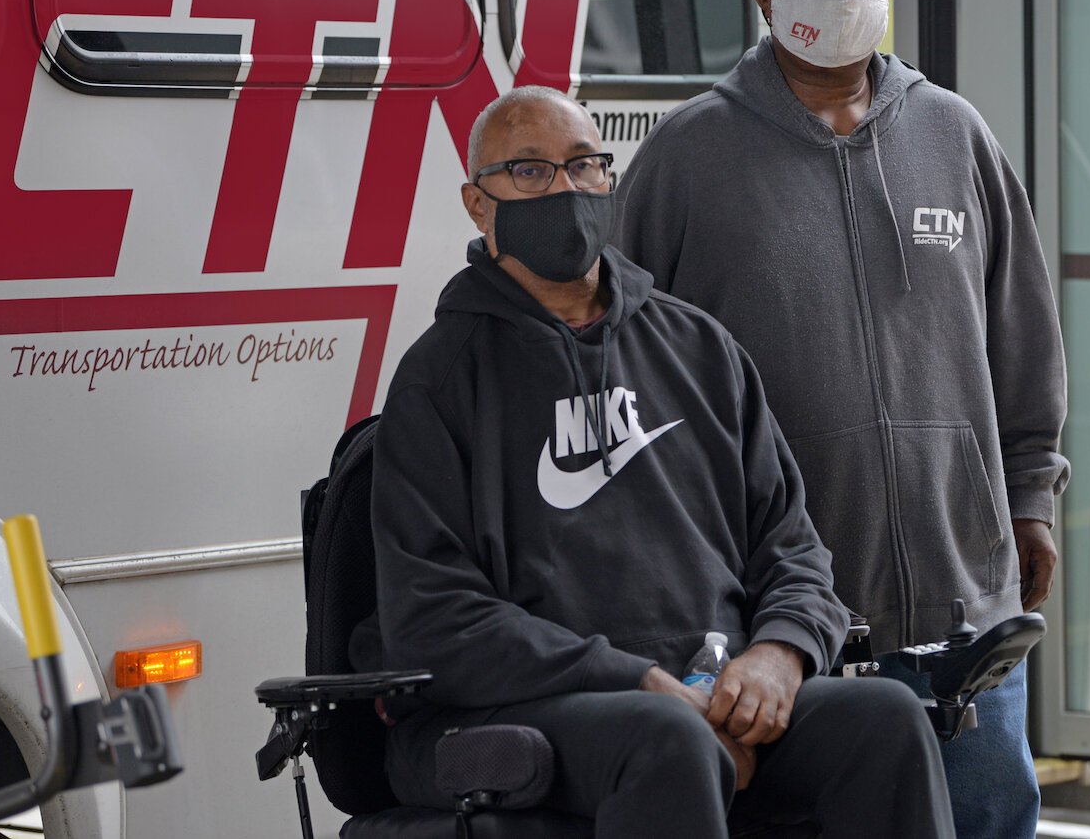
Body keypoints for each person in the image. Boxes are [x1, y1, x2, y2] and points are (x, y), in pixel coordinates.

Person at [360, 85, 955, 838]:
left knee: (885, 717)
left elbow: (793, 548)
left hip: (711, 686)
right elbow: (433, 622)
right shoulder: (440, 379)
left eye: (583, 167)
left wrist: (779, 653)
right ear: (479, 205)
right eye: (530, 173)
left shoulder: (699, 348)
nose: (565, 190)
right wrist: (636, 681)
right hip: (517, 713)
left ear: (609, 181)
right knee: (666, 740)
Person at [615, 0, 1069, 838]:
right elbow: (626, 373)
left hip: (968, 612)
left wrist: (1031, 498)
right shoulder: (688, 156)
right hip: (788, 626)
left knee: (992, 819)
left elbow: (1022, 337)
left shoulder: (956, 135)